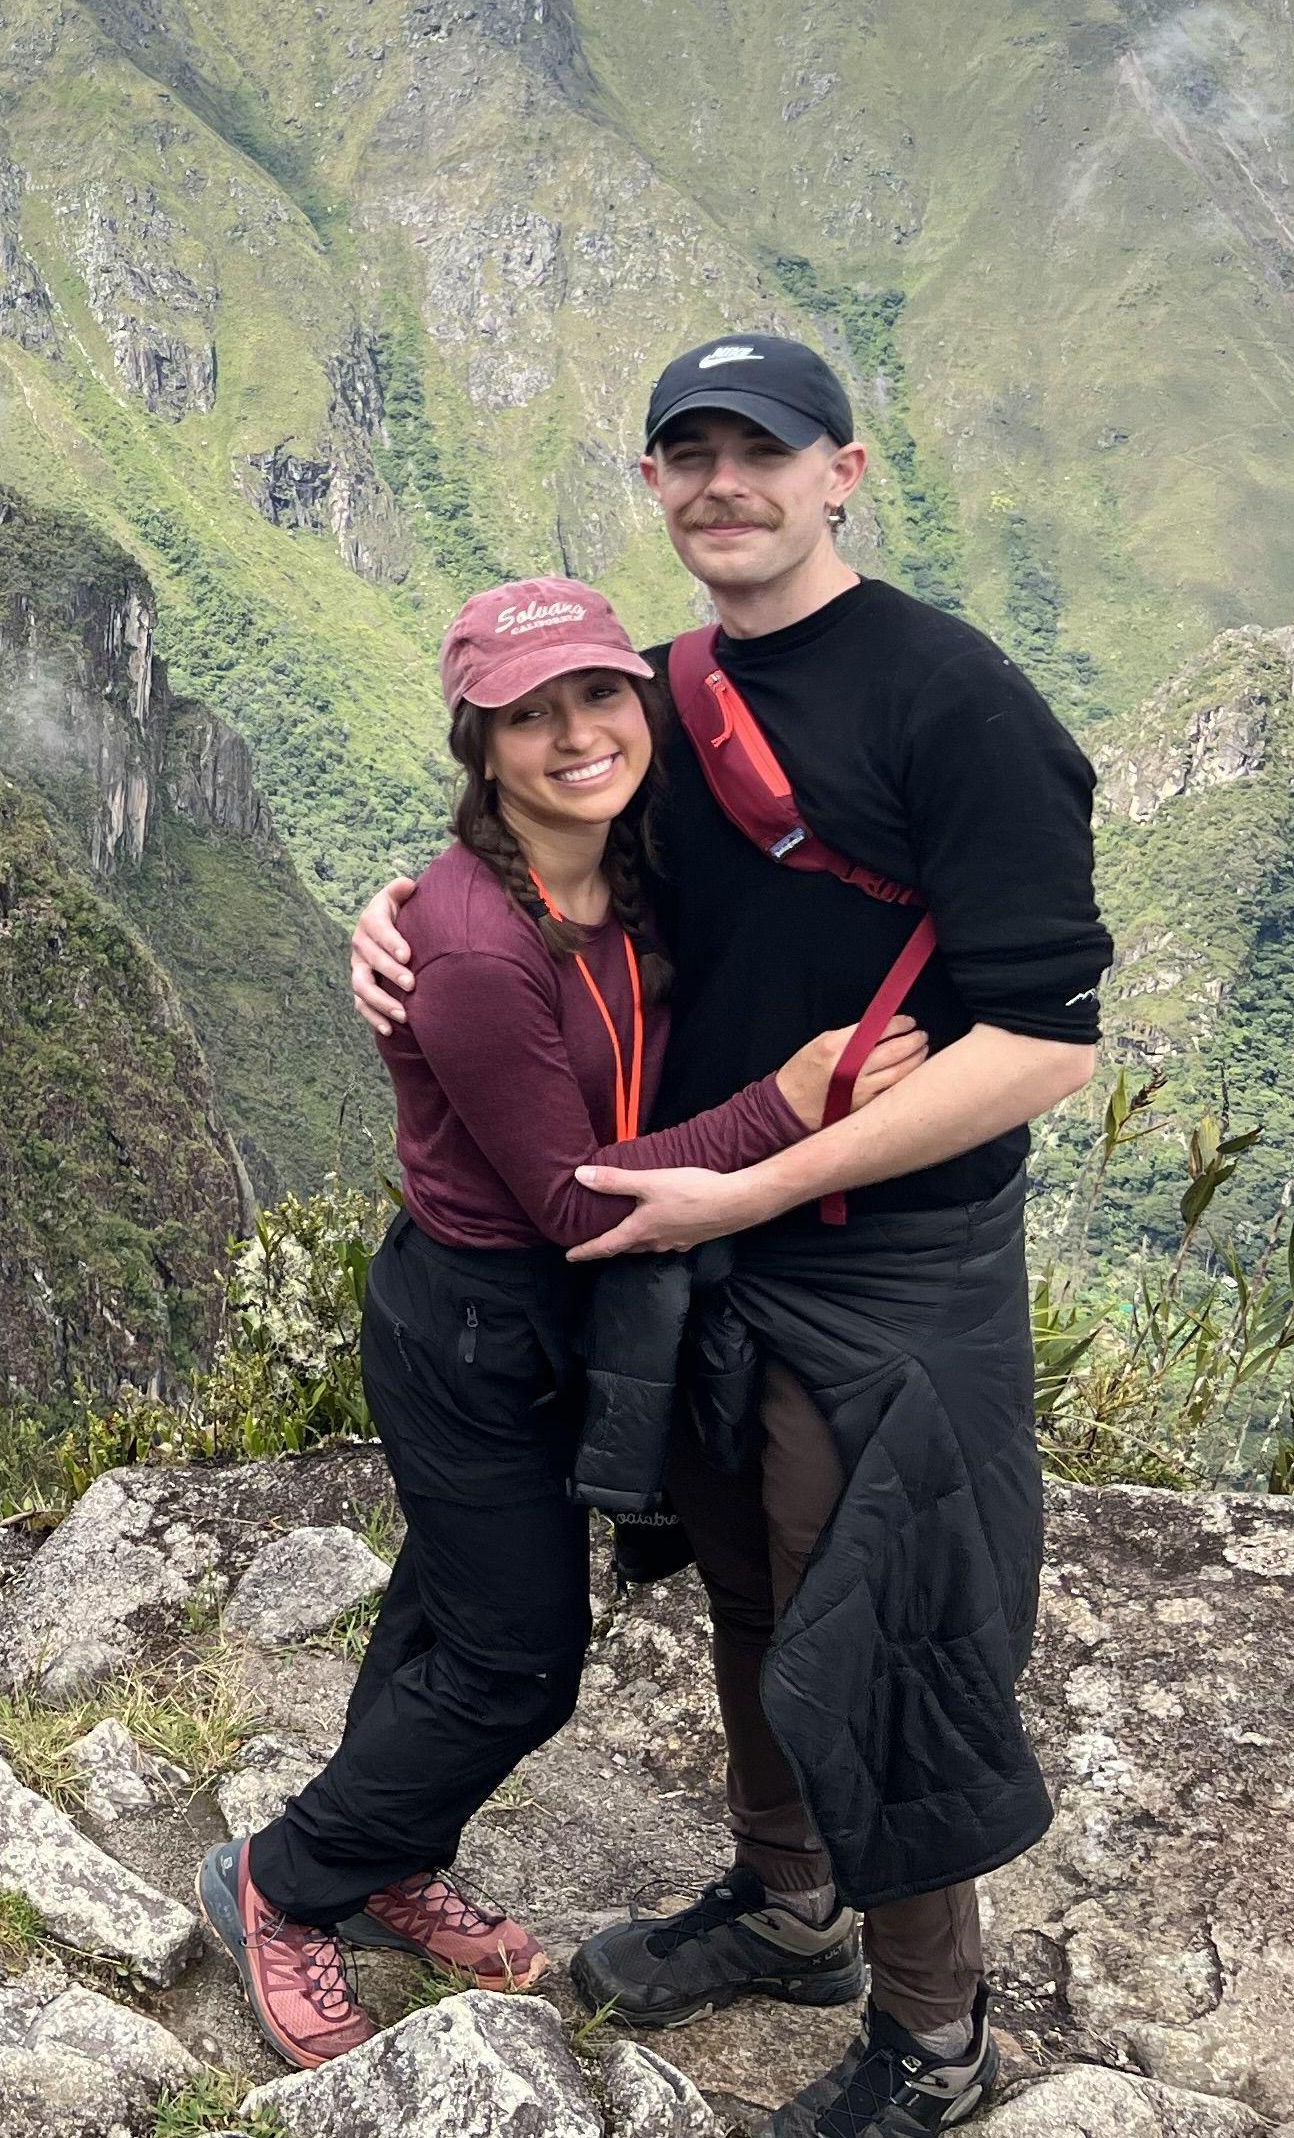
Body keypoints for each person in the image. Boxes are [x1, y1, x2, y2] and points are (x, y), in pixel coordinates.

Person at [348, 333, 1110, 2138]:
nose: (722, 485)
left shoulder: (953, 699)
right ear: (654, 488)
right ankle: (789, 1912)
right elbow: (559, 862)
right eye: (686, 455)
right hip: (710, 1239)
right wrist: (397, 913)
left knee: (887, 1624)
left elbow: (1049, 1042)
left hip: (888, 1258)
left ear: (843, 470)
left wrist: (762, 1174)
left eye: (759, 452)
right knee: (751, 1590)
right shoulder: (673, 693)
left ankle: (939, 2043)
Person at [197, 570, 929, 2071]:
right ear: (480, 746)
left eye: (600, 694)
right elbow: (581, 1204)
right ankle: (285, 1879)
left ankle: (393, 1850)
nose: (578, 732)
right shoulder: (471, 943)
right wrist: (785, 1108)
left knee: (450, 1607)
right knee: (519, 1660)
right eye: (530, 715)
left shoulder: (630, 861)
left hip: (564, 1319)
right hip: (481, 1319)